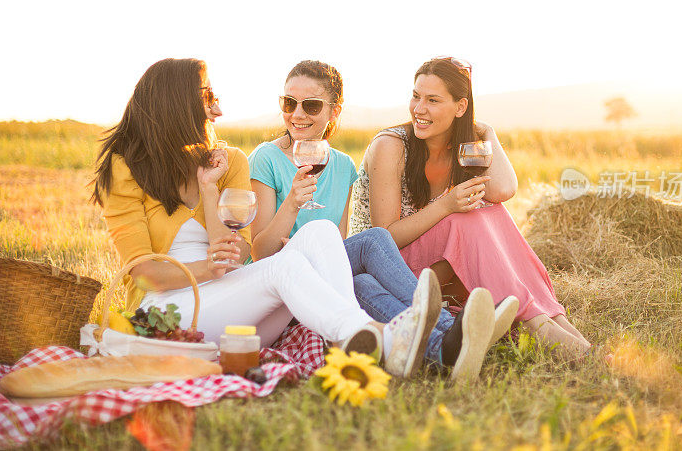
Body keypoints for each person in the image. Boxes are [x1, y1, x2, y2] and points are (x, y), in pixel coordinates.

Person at [91, 58, 434, 378]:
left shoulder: (228, 161)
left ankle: (352, 338)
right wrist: (208, 269)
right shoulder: (125, 169)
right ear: (176, 103)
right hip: (166, 316)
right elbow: (143, 273)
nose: (218, 109)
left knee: (320, 229)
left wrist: (208, 190)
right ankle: (383, 340)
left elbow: (238, 252)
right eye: (207, 97)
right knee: (283, 265)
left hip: (236, 308)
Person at [248, 60, 518, 380]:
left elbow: (337, 245)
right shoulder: (265, 158)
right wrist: (293, 204)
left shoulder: (342, 165)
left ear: (334, 111)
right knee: (376, 238)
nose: (297, 114)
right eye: (289, 103)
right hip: (283, 280)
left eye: (311, 105)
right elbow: (259, 253)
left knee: (362, 283)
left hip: (321, 282)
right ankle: (450, 327)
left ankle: (445, 350)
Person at [349, 57, 592, 361]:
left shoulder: (462, 149)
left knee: (491, 212)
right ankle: (538, 326)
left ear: (460, 107)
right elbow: (383, 238)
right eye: (416, 96)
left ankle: (557, 323)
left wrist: (487, 133)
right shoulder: (392, 146)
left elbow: (503, 190)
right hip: (386, 267)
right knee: (465, 220)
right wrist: (447, 206)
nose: (418, 109)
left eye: (433, 100)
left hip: (437, 264)